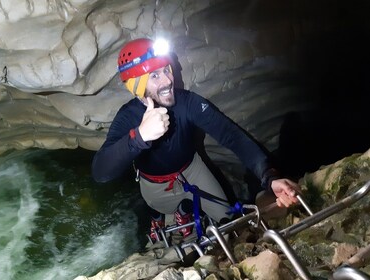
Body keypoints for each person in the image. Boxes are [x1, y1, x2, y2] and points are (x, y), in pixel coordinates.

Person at [92, 37, 300, 240]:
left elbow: (230, 135)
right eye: (154, 76)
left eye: (166, 70)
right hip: (155, 185)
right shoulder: (128, 116)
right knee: (162, 208)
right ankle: (166, 216)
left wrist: (269, 176)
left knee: (231, 222)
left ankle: (186, 211)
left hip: (193, 170)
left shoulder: (188, 103)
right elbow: (101, 172)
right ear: (136, 86)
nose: (167, 80)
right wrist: (139, 136)